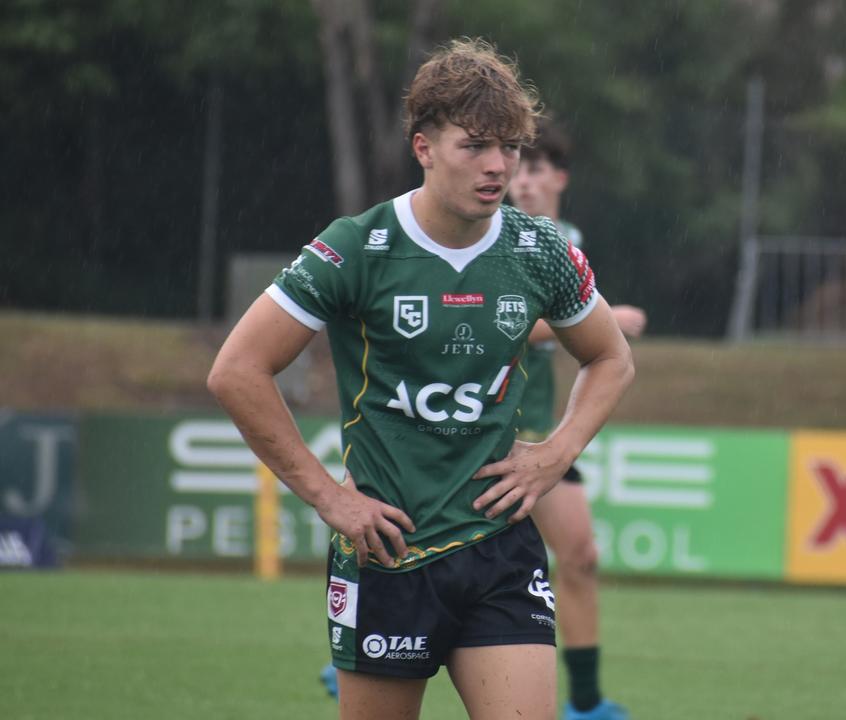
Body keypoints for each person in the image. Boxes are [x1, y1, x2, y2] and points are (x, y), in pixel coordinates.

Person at [207, 38, 634, 720]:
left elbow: (612, 358)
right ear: (423, 147)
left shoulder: (540, 248)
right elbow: (237, 370)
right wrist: (328, 497)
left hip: (499, 549)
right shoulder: (357, 247)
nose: (498, 166)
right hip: (388, 554)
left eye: (511, 147)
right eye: (475, 146)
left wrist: (556, 452)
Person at [511, 117, 646, 720]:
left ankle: (586, 703)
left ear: (559, 178)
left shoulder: (565, 240)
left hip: (539, 434)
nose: (521, 181)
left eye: (534, 169)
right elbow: (502, 323)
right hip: (480, 429)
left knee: (581, 555)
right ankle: (363, 646)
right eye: (517, 169)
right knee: (416, 540)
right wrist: (607, 318)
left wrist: (600, 327)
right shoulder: (495, 234)